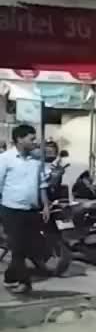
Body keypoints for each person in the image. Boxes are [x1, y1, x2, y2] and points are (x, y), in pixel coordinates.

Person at [0, 125, 47, 295]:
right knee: (18, 246)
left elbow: (42, 184)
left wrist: (46, 205)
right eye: (31, 138)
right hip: (11, 210)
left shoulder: (36, 161)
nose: (34, 142)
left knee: (27, 247)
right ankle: (24, 282)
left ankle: (10, 276)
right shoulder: (5, 159)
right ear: (19, 139)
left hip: (32, 210)